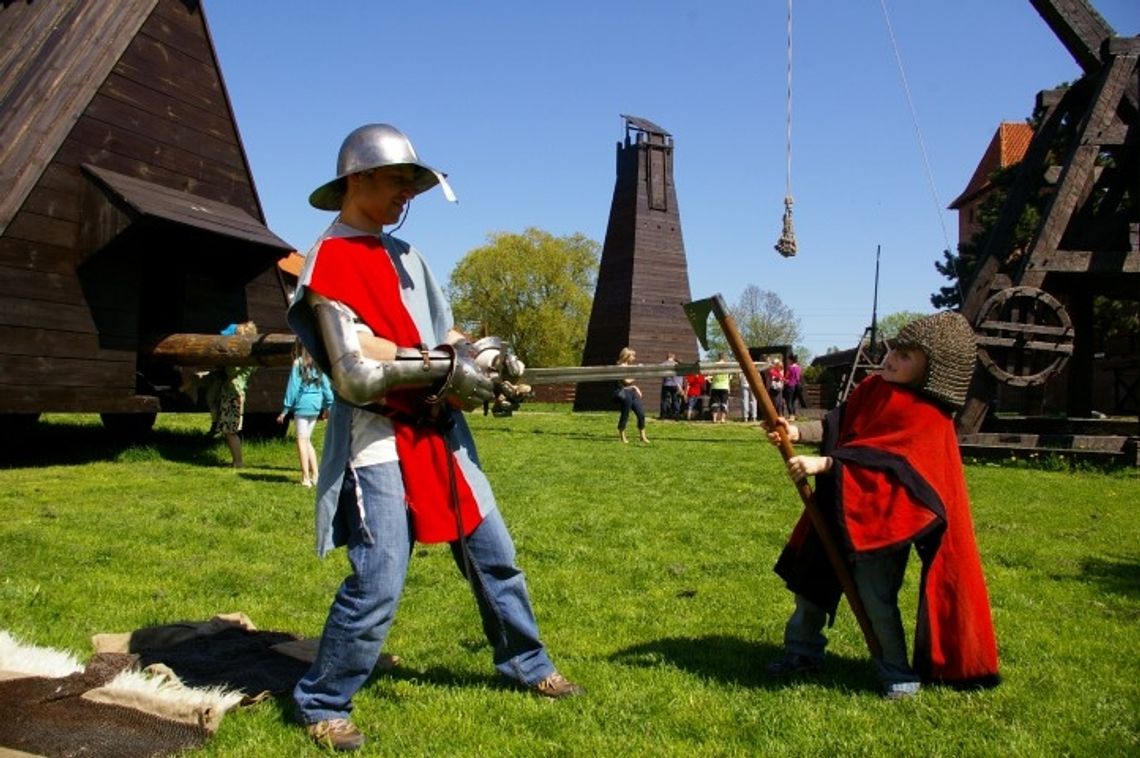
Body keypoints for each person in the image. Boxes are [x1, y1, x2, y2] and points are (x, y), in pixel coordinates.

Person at [287, 123, 582, 751]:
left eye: (412, 184)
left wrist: (485, 358)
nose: (407, 195)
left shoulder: (409, 258)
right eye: (398, 180)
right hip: (379, 435)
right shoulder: (330, 258)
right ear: (358, 179)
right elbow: (357, 369)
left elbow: (445, 340)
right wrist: (438, 363)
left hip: (442, 436)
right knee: (378, 578)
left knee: (494, 558)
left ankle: (528, 664)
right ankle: (322, 700)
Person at [762, 312, 1000, 700]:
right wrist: (795, 431)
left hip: (883, 522)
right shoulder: (873, 388)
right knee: (810, 588)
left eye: (906, 356)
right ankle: (802, 652)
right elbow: (836, 426)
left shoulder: (929, 418)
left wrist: (827, 465)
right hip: (836, 505)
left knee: (877, 599)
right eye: (894, 350)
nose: (890, 359)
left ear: (933, 370)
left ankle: (896, 672)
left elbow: (894, 469)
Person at [277, 341, 335, 487]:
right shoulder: (319, 364)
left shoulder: (298, 363)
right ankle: (316, 475)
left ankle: (305, 478)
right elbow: (327, 388)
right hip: (316, 406)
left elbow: (293, 387)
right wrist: (328, 406)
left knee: (301, 441)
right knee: (307, 439)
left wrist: (285, 409)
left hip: (302, 406)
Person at [212, 321, 257, 468]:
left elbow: (232, 370)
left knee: (230, 431)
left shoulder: (243, 359)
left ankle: (238, 461)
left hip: (234, 394)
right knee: (228, 430)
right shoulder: (247, 359)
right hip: (232, 392)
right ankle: (236, 461)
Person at [615, 347, 649, 444]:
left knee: (641, 414)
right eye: (632, 356)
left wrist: (634, 387)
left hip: (630, 391)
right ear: (627, 356)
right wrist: (638, 373)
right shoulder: (619, 367)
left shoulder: (628, 366)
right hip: (624, 393)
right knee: (625, 414)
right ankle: (622, 436)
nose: (634, 358)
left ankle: (642, 436)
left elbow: (629, 383)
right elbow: (626, 381)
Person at [708, 354, 731, 423]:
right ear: (724, 358)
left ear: (718, 357)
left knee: (714, 403)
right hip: (724, 386)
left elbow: (709, 376)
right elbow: (729, 378)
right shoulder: (728, 366)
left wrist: (711, 382)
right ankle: (722, 419)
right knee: (724, 403)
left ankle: (714, 419)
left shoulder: (714, 365)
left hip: (715, 386)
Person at [659, 352, 682, 419]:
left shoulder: (663, 364)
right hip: (674, 384)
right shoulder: (676, 364)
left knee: (664, 400)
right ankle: (677, 414)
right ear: (673, 357)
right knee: (675, 400)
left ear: (667, 357)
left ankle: (663, 415)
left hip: (666, 384)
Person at [784, 354, 804, 419]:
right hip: (797, 386)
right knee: (794, 401)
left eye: (789, 360)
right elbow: (799, 377)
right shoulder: (799, 367)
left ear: (791, 360)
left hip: (790, 385)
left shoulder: (790, 367)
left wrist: (784, 380)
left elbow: (787, 376)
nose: (788, 361)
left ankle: (791, 415)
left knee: (788, 401)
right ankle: (794, 415)